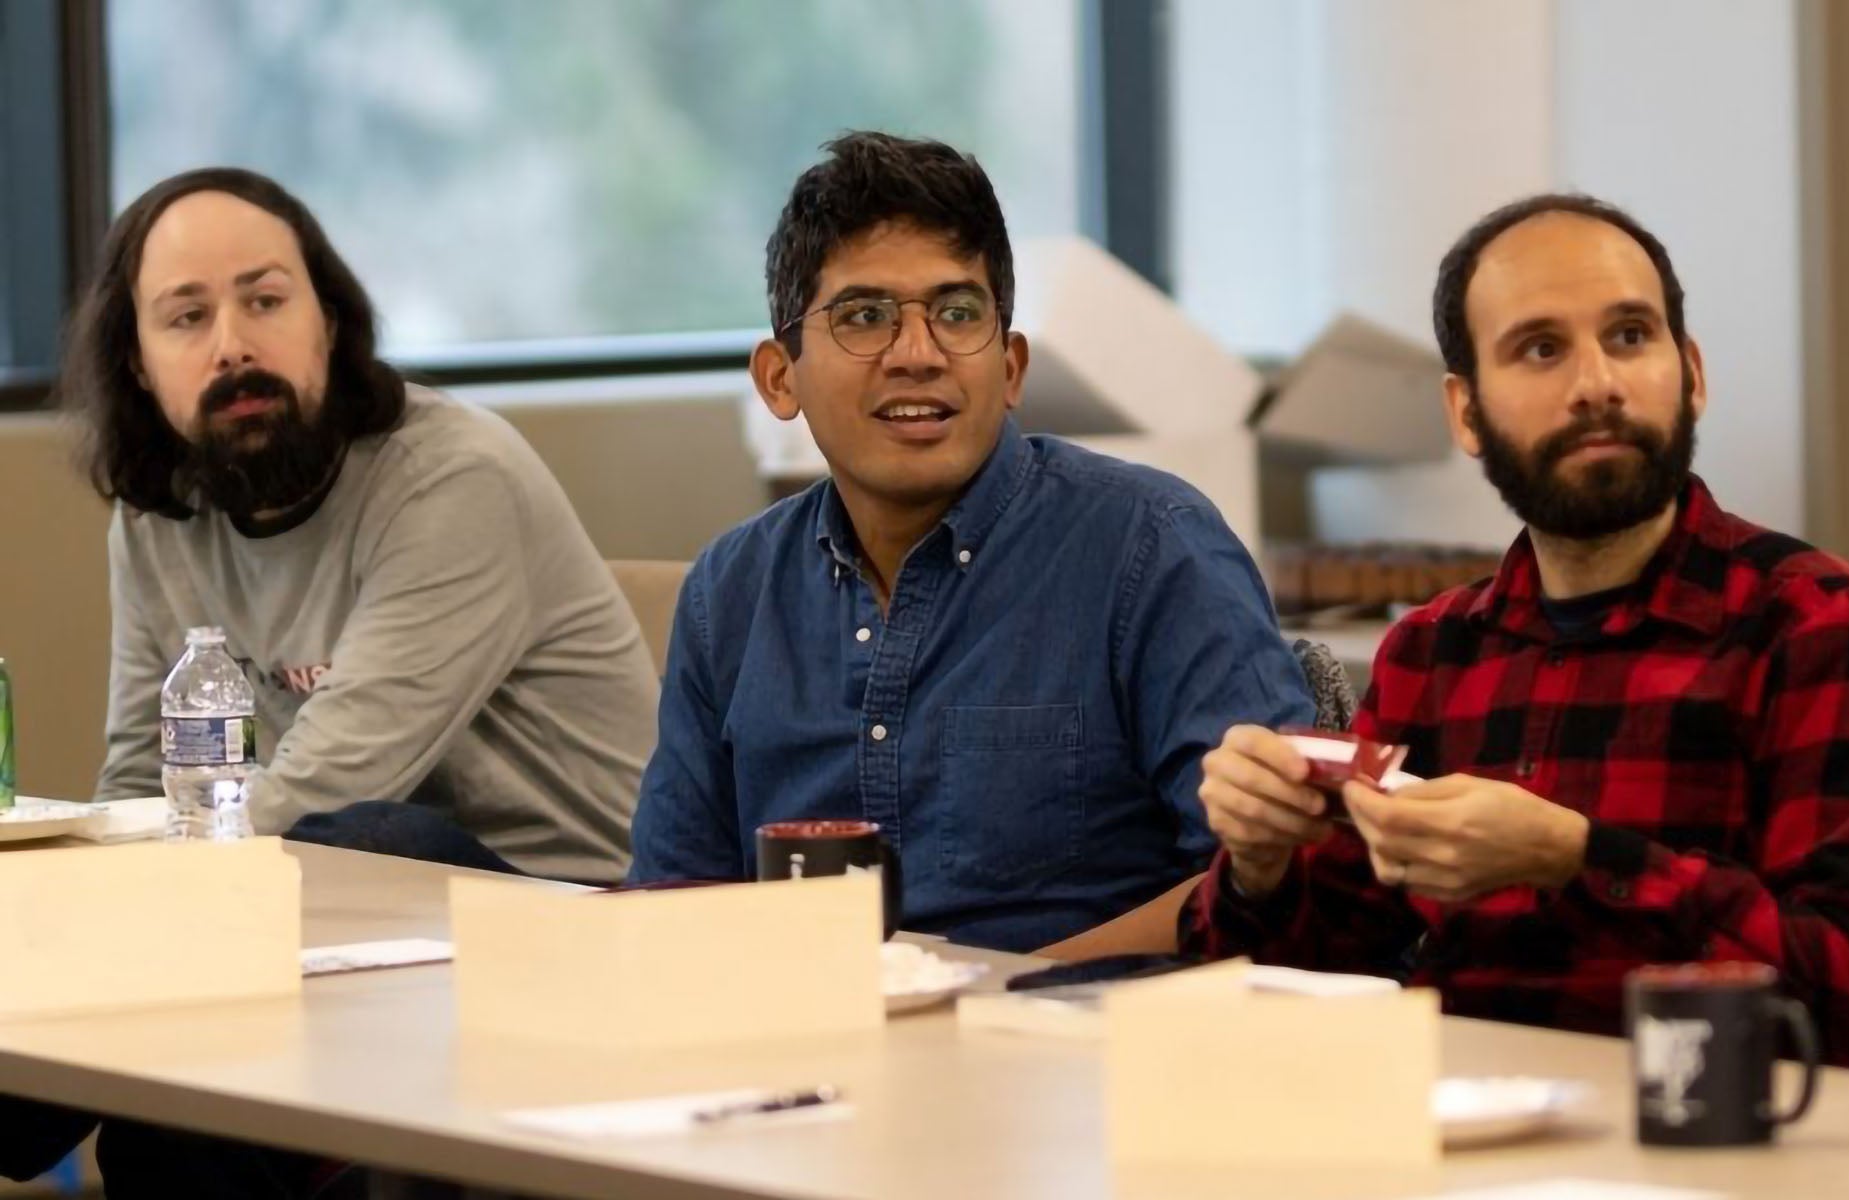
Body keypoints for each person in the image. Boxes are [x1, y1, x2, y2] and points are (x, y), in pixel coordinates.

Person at [1184, 193, 1849, 1069]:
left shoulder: (1812, 622)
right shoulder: (1434, 651)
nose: (1598, 385)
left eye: (1629, 337)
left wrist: (1574, 859)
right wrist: (1259, 866)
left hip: (1698, 1135)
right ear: (1466, 413)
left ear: (1691, 373)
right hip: (1451, 1128)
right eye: (1541, 349)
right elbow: (1312, 971)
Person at [628, 132, 1314, 952]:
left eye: (957, 314)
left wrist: (987, 995)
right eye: (865, 316)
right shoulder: (731, 590)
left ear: (1012, 367)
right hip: (808, 1047)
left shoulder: (1151, 548)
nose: (917, 355)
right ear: (781, 377)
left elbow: (1271, 879)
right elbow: (676, 897)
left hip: (1082, 1050)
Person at [71, 166, 658, 885]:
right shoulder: (155, 514)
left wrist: (161, 888)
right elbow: (141, 779)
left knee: (365, 831)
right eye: (187, 317)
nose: (232, 346)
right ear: (137, 361)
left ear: (330, 321)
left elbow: (337, 780)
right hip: (331, 889)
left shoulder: (452, 478)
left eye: (265, 300)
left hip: (578, 898)